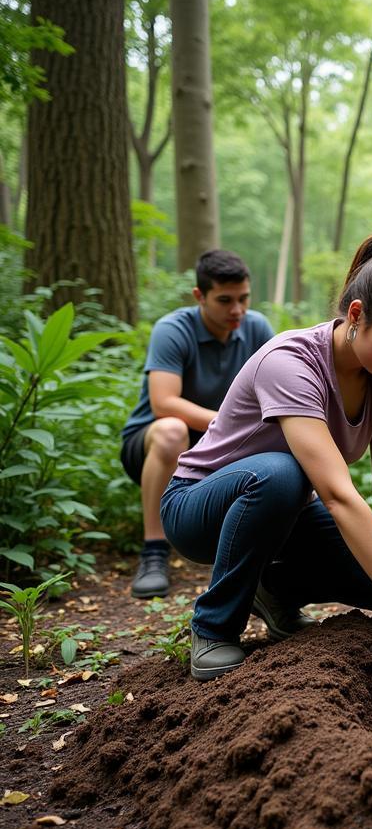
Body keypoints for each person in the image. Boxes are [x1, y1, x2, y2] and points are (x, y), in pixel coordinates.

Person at [160, 233, 372, 689]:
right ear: (356, 314)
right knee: (280, 473)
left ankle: (274, 593)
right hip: (198, 506)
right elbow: (336, 493)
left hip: (282, 516)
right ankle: (213, 627)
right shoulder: (290, 362)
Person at [120, 250, 275, 599]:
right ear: (199, 296)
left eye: (243, 298)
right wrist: (227, 423)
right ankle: (154, 551)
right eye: (225, 300)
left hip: (217, 446)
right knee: (172, 429)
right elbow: (163, 402)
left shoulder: (257, 328)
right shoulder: (173, 330)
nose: (237, 310)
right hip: (154, 442)